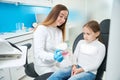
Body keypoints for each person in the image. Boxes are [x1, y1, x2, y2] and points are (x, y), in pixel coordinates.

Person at [33, 4, 69, 76]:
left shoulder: (59, 31)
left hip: (55, 63)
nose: (63, 20)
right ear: (54, 14)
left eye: (65, 18)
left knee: (70, 72)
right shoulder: (41, 29)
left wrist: (65, 53)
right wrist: (53, 56)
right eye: (61, 16)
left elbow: (60, 50)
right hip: (43, 66)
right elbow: (39, 53)